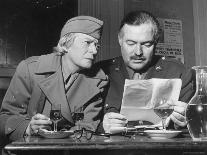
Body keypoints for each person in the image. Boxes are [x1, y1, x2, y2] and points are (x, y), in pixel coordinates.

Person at [0, 16, 109, 143]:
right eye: (87, 43)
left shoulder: (98, 81)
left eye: (97, 45)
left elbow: (87, 128)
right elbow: (5, 118)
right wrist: (28, 127)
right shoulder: (30, 69)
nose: (94, 50)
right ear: (65, 44)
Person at [98, 11, 195, 133]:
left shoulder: (178, 72)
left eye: (146, 44)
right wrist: (102, 126)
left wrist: (187, 120)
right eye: (131, 43)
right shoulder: (100, 73)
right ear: (120, 40)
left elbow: (194, 127)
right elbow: (83, 125)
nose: (138, 52)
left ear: (156, 42)